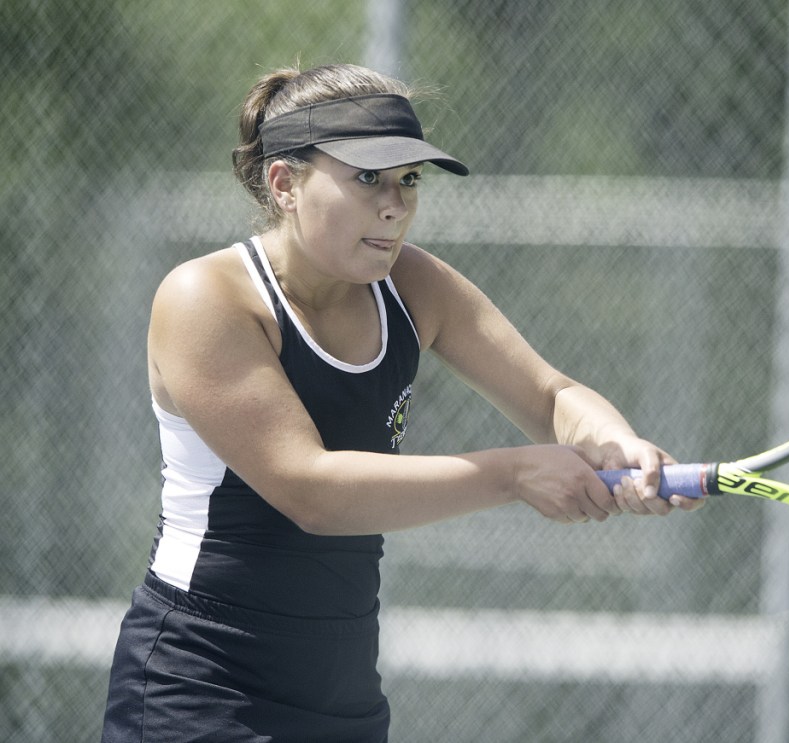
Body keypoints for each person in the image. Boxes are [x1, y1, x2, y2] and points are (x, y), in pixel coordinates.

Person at [101, 62, 701, 742]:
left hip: (345, 693)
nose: (395, 203)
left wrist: (615, 443)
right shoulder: (204, 299)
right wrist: (514, 473)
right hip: (199, 687)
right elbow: (311, 489)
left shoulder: (414, 286)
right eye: (367, 178)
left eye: (409, 180)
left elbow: (551, 393)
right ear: (284, 183)